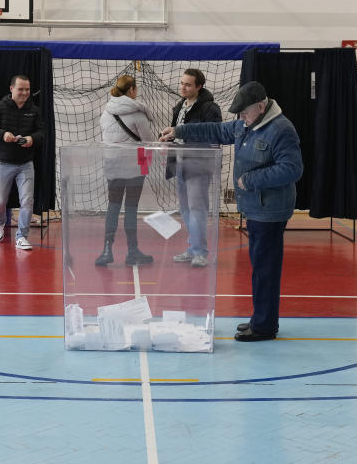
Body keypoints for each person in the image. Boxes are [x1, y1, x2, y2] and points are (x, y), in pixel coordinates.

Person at [160, 81, 303, 342]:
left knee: (265, 269)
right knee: (261, 267)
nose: (240, 118)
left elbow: (293, 169)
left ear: (261, 107)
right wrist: (179, 130)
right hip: (255, 209)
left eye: (244, 113)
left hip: (269, 212)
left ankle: (264, 327)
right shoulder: (245, 125)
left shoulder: (281, 130)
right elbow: (215, 129)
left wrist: (250, 180)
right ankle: (261, 320)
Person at [95, 75, 154, 267]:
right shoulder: (138, 114)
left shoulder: (106, 113)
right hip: (135, 167)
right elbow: (148, 142)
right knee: (130, 209)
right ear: (131, 91)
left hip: (112, 166)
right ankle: (132, 251)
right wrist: (148, 166)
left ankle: (106, 250)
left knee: (112, 208)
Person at [166, 68, 222, 268]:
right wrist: (169, 138)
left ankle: (200, 252)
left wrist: (185, 134)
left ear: (199, 87)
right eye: (182, 83)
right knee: (186, 210)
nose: (183, 87)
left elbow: (214, 134)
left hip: (198, 164)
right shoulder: (179, 107)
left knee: (197, 209)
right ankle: (192, 248)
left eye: (188, 84)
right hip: (180, 163)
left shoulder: (210, 108)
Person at [0, 75, 43, 250]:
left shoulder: (35, 110)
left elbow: (42, 132)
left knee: (27, 201)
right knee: (0, 201)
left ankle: (22, 236)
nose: (25, 93)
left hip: (26, 164)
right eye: (21, 89)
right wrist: (3, 134)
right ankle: (0, 223)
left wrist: (32, 139)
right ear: (12, 89)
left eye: (27, 89)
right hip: (3, 163)